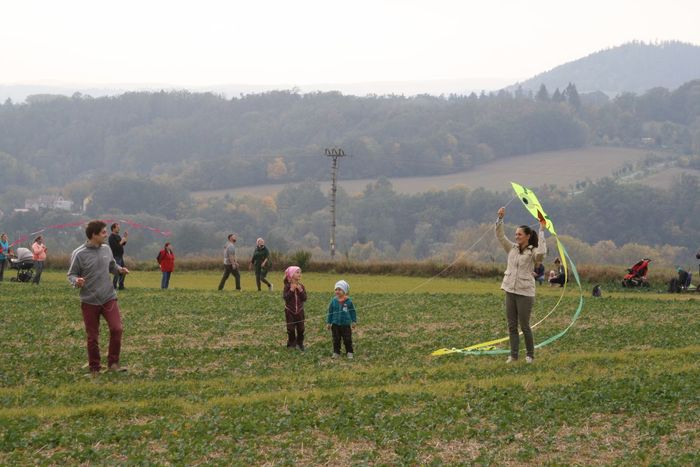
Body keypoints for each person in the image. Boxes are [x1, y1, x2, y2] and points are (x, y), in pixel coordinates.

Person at [67, 220, 129, 375]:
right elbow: (71, 275)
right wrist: (77, 281)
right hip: (89, 301)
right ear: (93, 235)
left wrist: (120, 270)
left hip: (109, 298)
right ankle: (94, 368)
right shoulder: (79, 253)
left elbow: (112, 266)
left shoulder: (107, 249)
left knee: (117, 329)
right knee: (93, 337)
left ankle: (113, 364)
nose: (106, 235)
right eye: (103, 232)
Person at [496, 206, 547, 364]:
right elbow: (500, 236)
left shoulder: (533, 251)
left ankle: (530, 355)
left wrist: (542, 231)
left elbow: (541, 255)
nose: (516, 236)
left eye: (519, 234)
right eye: (516, 234)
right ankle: (513, 356)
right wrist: (500, 219)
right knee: (512, 326)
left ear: (527, 236)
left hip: (525, 293)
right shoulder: (511, 248)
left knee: (524, 326)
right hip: (509, 290)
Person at [326, 280, 357, 359]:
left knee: (347, 339)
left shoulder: (348, 301)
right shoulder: (333, 301)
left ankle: (349, 352)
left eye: (339, 289)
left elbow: (352, 311)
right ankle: (336, 352)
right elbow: (330, 312)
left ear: (344, 291)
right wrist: (329, 322)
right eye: (336, 289)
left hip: (345, 324)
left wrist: (354, 321)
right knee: (336, 339)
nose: (337, 291)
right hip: (335, 324)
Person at [283, 266, 307, 351]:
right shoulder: (287, 286)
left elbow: (304, 298)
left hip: (300, 311)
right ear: (291, 274)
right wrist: (291, 290)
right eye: (297, 272)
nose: (299, 274)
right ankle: (291, 344)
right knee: (291, 329)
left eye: (300, 272)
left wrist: (301, 291)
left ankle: (300, 344)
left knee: (301, 329)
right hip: (290, 311)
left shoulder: (301, 286)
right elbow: (286, 298)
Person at [108, 223, 128, 290]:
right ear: (113, 228)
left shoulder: (118, 236)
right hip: (116, 256)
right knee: (117, 271)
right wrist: (122, 241)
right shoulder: (111, 237)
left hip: (120, 256)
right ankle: (114, 286)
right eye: (117, 227)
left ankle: (121, 285)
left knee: (124, 270)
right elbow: (115, 247)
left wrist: (125, 237)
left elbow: (123, 243)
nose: (119, 228)